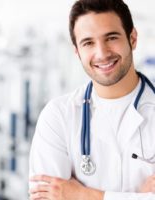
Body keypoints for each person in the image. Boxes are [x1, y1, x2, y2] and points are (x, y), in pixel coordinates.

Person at [29, 0, 155, 199]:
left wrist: (83, 195)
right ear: (77, 51)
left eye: (111, 38)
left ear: (133, 38)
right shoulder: (58, 116)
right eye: (88, 43)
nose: (102, 53)